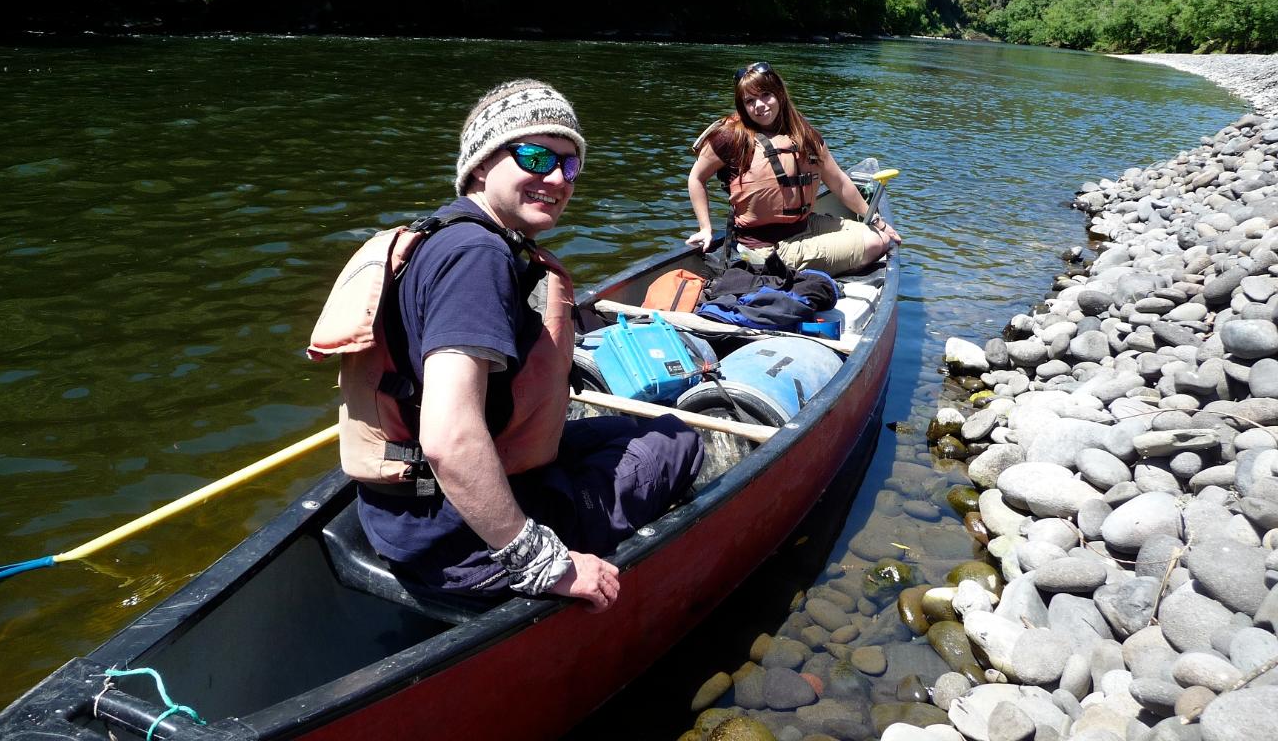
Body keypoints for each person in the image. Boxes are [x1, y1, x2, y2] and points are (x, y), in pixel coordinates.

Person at [351, 80, 702, 612]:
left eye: (570, 164)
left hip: (403, 515)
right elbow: (448, 438)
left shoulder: (447, 234)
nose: (557, 178)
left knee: (624, 430)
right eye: (535, 155)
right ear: (481, 165)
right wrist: (543, 560)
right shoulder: (477, 257)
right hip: (457, 546)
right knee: (677, 440)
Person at [686, 61, 900, 274]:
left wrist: (876, 220)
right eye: (750, 100)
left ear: (779, 94)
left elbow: (839, 182)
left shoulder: (803, 133)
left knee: (878, 233)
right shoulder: (730, 137)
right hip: (765, 248)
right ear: (742, 105)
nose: (759, 105)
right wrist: (705, 228)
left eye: (765, 95)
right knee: (875, 243)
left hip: (803, 226)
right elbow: (696, 177)